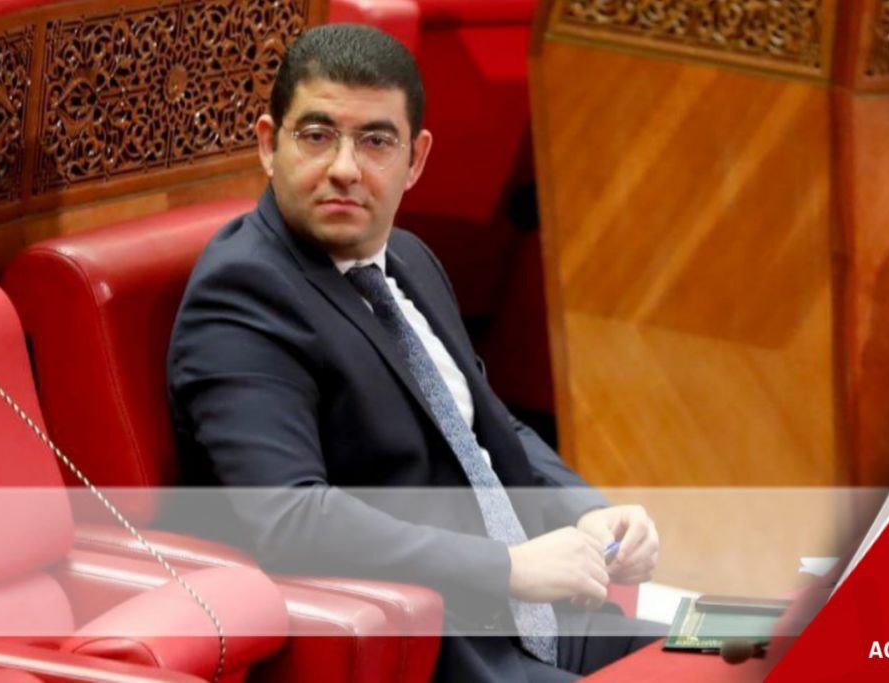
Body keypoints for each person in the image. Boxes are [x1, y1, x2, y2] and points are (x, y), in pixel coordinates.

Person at [168, 23, 663, 682]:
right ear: (268, 145)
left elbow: (486, 425)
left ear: (416, 159)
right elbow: (291, 518)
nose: (344, 168)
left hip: (545, 623)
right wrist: (507, 567)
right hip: (440, 651)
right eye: (317, 136)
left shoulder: (408, 257)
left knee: (756, 642)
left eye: (375, 141)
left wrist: (589, 510)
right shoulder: (243, 293)